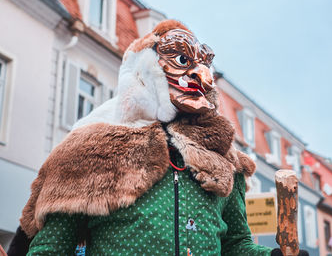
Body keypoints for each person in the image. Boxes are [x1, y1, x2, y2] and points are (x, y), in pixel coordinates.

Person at [9, 20, 308, 256]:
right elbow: (53, 248)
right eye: (182, 60)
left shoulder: (223, 160)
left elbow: (235, 245)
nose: (200, 77)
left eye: (204, 67)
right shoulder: (91, 152)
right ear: (146, 67)